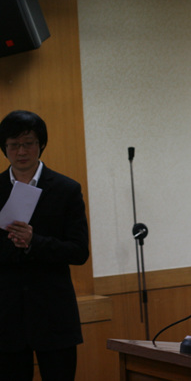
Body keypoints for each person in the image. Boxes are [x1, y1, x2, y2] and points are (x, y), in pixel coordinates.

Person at [0, 110, 89, 380]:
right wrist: (15, 245)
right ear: (4, 148)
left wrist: (33, 242)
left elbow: (79, 251)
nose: (21, 151)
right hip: (7, 317)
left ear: (41, 144)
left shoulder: (66, 189)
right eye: (13, 145)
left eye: (28, 143)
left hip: (54, 316)